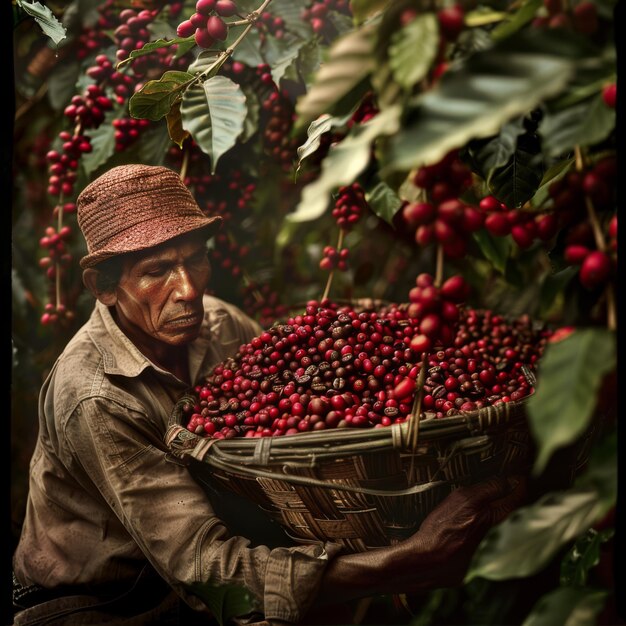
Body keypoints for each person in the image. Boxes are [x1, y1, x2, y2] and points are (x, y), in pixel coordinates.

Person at [12, 164, 527, 626]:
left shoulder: (220, 324)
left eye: (196, 260)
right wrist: (401, 564)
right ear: (104, 285)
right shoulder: (96, 395)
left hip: (219, 570)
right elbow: (203, 571)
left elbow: (293, 428)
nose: (188, 289)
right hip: (104, 606)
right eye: (156, 271)